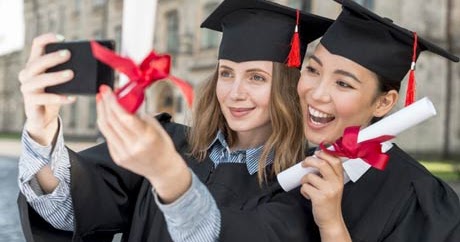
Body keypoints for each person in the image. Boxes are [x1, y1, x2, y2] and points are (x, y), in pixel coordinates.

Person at [17, 0, 332, 241]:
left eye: (257, 78)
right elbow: (68, 210)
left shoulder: (301, 181)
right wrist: (41, 130)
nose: (235, 92)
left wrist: (166, 173)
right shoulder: (168, 140)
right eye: (226, 73)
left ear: (287, 90)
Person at [296, 0, 460, 241]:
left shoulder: (421, 200)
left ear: (383, 103)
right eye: (313, 70)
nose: (317, 94)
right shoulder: (290, 166)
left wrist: (332, 224)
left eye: (343, 83)